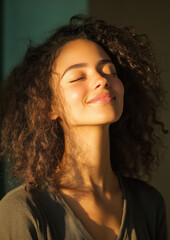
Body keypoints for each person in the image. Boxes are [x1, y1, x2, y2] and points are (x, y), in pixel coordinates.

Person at [0, 15, 168, 240]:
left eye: (109, 70)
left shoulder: (149, 203)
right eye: (78, 77)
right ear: (49, 106)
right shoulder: (23, 210)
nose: (102, 79)